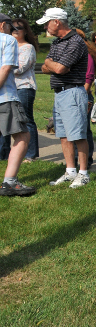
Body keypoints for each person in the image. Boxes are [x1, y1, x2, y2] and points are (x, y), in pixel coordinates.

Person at [39, 8, 91, 189]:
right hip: (60, 93)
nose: (46, 26)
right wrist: (52, 64)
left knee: (77, 134)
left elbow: (60, 69)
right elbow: (45, 66)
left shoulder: (75, 42)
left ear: (57, 22)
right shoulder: (57, 42)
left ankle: (83, 173)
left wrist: (52, 64)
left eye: (47, 23)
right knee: (63, 134)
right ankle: (70, 171)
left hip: (73, 92)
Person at [0, 13, 34, 197]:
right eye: (10, 28)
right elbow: (6, 68)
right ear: (3, 25)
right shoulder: (7, 40)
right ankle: (10, 182)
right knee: (22, 136)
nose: (12, 32)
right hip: (5, 97)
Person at [75, 29, 96, 169]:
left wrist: (82, 94)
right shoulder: (75, 53)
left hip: (83, 95)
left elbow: (89, 76)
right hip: (74, 94)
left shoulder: (87, 54)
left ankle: (87, 159)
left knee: (84, 128)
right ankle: (74, 160)